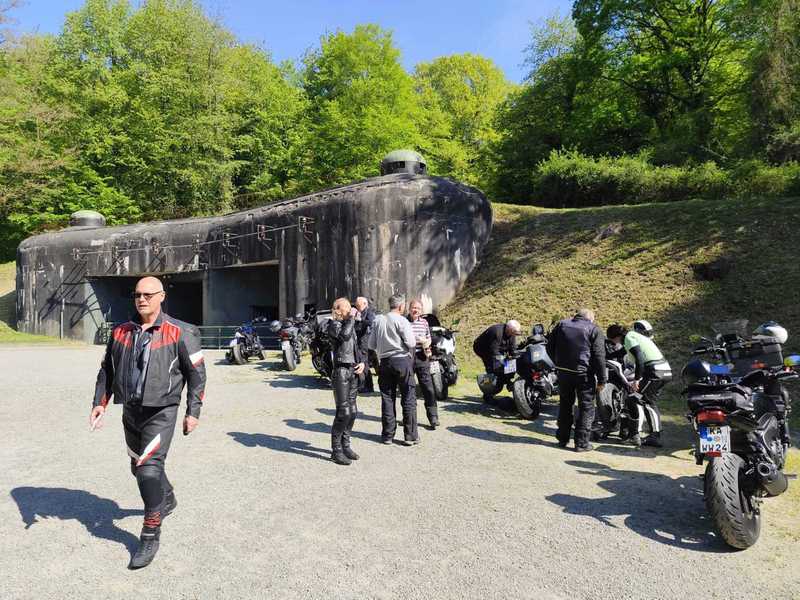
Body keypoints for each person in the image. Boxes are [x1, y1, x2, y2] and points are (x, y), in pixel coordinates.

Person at [89, 276, 206, 569]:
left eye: (148, 294)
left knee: (148, 470)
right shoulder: (120, 332)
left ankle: (150, 533)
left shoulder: (182, 332)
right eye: (137, 294)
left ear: (162, 296)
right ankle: (167, 498)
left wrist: (193, 411)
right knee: (137, 467)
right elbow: (107, 370)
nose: (142, 299)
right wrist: (99, 403)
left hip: (162, 411)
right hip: (130, 412)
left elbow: (197, 375)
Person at [547, 308, 606, 452]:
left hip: (563, 372)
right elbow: (599, 356)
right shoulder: (594, 329)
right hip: (583, 374)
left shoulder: (561, 325)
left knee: (565, 404)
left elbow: (549, 346)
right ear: (590, 319)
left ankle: (562, 438)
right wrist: (602, 379)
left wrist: (557, 362)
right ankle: (581, 443)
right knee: (586, 407)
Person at [606, 320, 670, 447]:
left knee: (643, 401)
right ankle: (637, 435)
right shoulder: (632, 337)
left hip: (655, 372)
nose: (614, 344)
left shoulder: (629, 338)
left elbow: (639, 359)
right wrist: (603, 357)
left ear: (616, 337)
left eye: (613, 341)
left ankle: (652, 436)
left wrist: (636, 380)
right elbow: (620, 353)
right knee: (638, 400)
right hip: (663, 371)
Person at [368, 293, 419, 445]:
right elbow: (411, 342)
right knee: (408, 397)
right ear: (401, 306)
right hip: (401, 360)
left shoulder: (378, 320)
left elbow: (371, 345)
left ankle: (387, 435)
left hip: (385, 362)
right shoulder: (402, 320)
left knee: (387, 398)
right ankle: (410, 436)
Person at [327, 298, 366, 465]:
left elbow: (355, 346)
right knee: (343, 412)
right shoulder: (333, 325)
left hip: (352, 370)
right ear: (338, 310)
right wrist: (351, 318)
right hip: (341, 371)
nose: (351, 310)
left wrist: (362, 362)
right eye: (347, 307)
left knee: (353, 411)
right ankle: (336, 450)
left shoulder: (349, 324)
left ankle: (346, 445)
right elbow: (344, 336)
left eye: (351, 307)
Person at [407, 299, 439, 429]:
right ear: (409, 309)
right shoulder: (404, 322)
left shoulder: (424, 322)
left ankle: (433, 417)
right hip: (408, 357)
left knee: (428, 387)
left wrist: (426, 342)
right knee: (408, 388)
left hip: (422, 357)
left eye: (418, 308)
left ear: (421, 310)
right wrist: (415, 340)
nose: (415, 310)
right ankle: (409, 417)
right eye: (413, 308)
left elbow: (428, 337)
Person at [472, 320, 523, 400]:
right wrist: (503, 362)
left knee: (508, 364)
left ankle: (506, 380)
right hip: (483, 349)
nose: (515, 335)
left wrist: (517, 356)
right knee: (492, 369)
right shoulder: (497, 333)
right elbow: (494, 352)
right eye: (515, 332)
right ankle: (487, 394)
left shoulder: (511, 334)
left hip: (497, 349)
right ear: (509, 329)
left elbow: (513, 349)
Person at [354, 296, 376, 393]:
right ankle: (365, 385)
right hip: (359, 340)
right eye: (356, 305)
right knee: (361, 362)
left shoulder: (369, 312)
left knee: (364, 363)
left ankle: (367, 386)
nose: (357, 307)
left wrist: (361, 320)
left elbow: (372, 322)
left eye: (358, 305)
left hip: (365, 341)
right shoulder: (359, 312)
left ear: (365, 304)